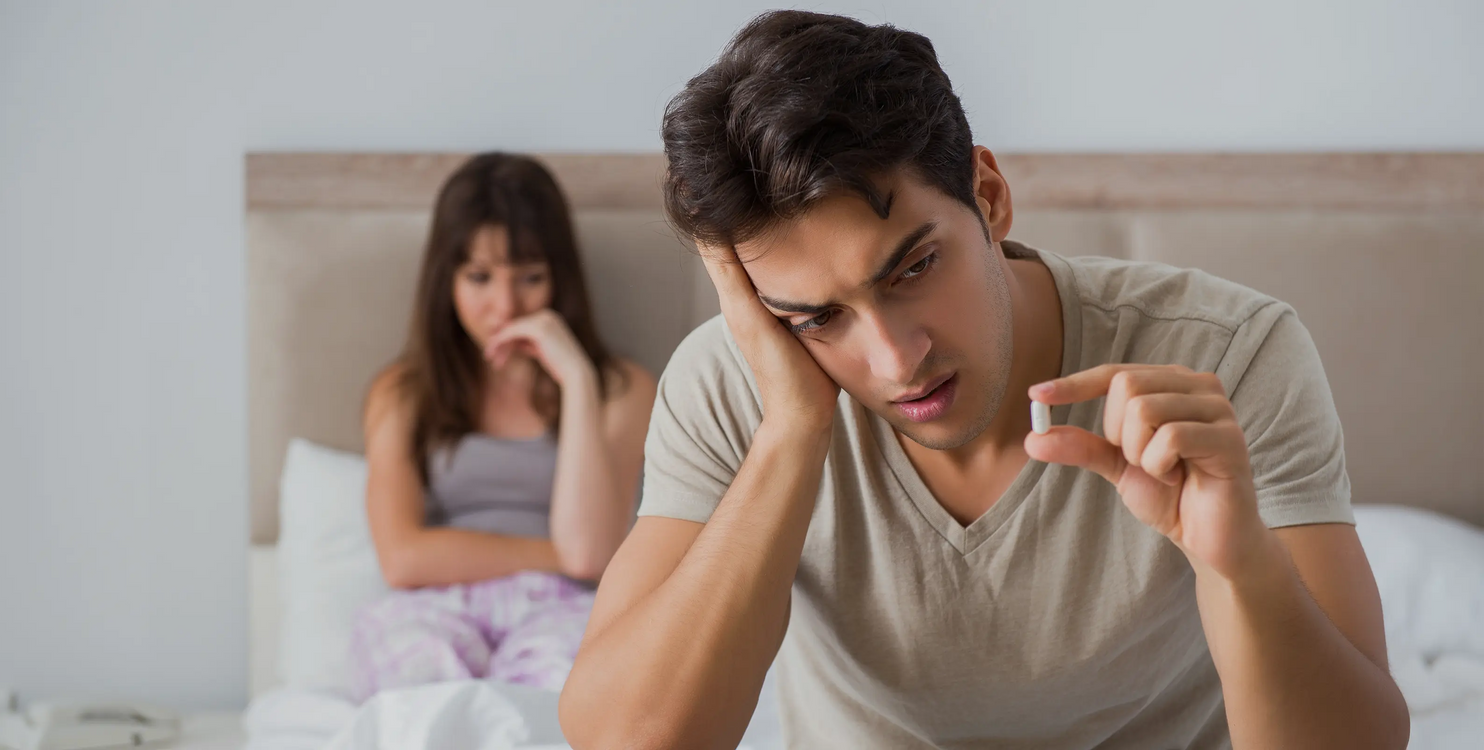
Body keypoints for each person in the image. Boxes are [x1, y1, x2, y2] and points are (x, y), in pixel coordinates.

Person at [560, 11, 1408, 750]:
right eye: (818, 318)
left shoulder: (1226, 356)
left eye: (915, 267)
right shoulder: (730, 388)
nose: (896, 360)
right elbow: (630, 740)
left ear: (991, 197)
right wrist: (791, 432)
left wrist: (1243, 567)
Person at [348, 153, 655, 701]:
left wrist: (576, 382)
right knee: (424, 693)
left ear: (561, 278)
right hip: (433, 607)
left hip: (564, 607)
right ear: (447, 281)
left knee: (563, 700)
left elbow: (589, 555)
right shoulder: (403, 392)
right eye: (480, 277)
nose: (506, 305)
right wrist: (555, 553)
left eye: (531, 277)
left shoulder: (620, 389)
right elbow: (402, 559)